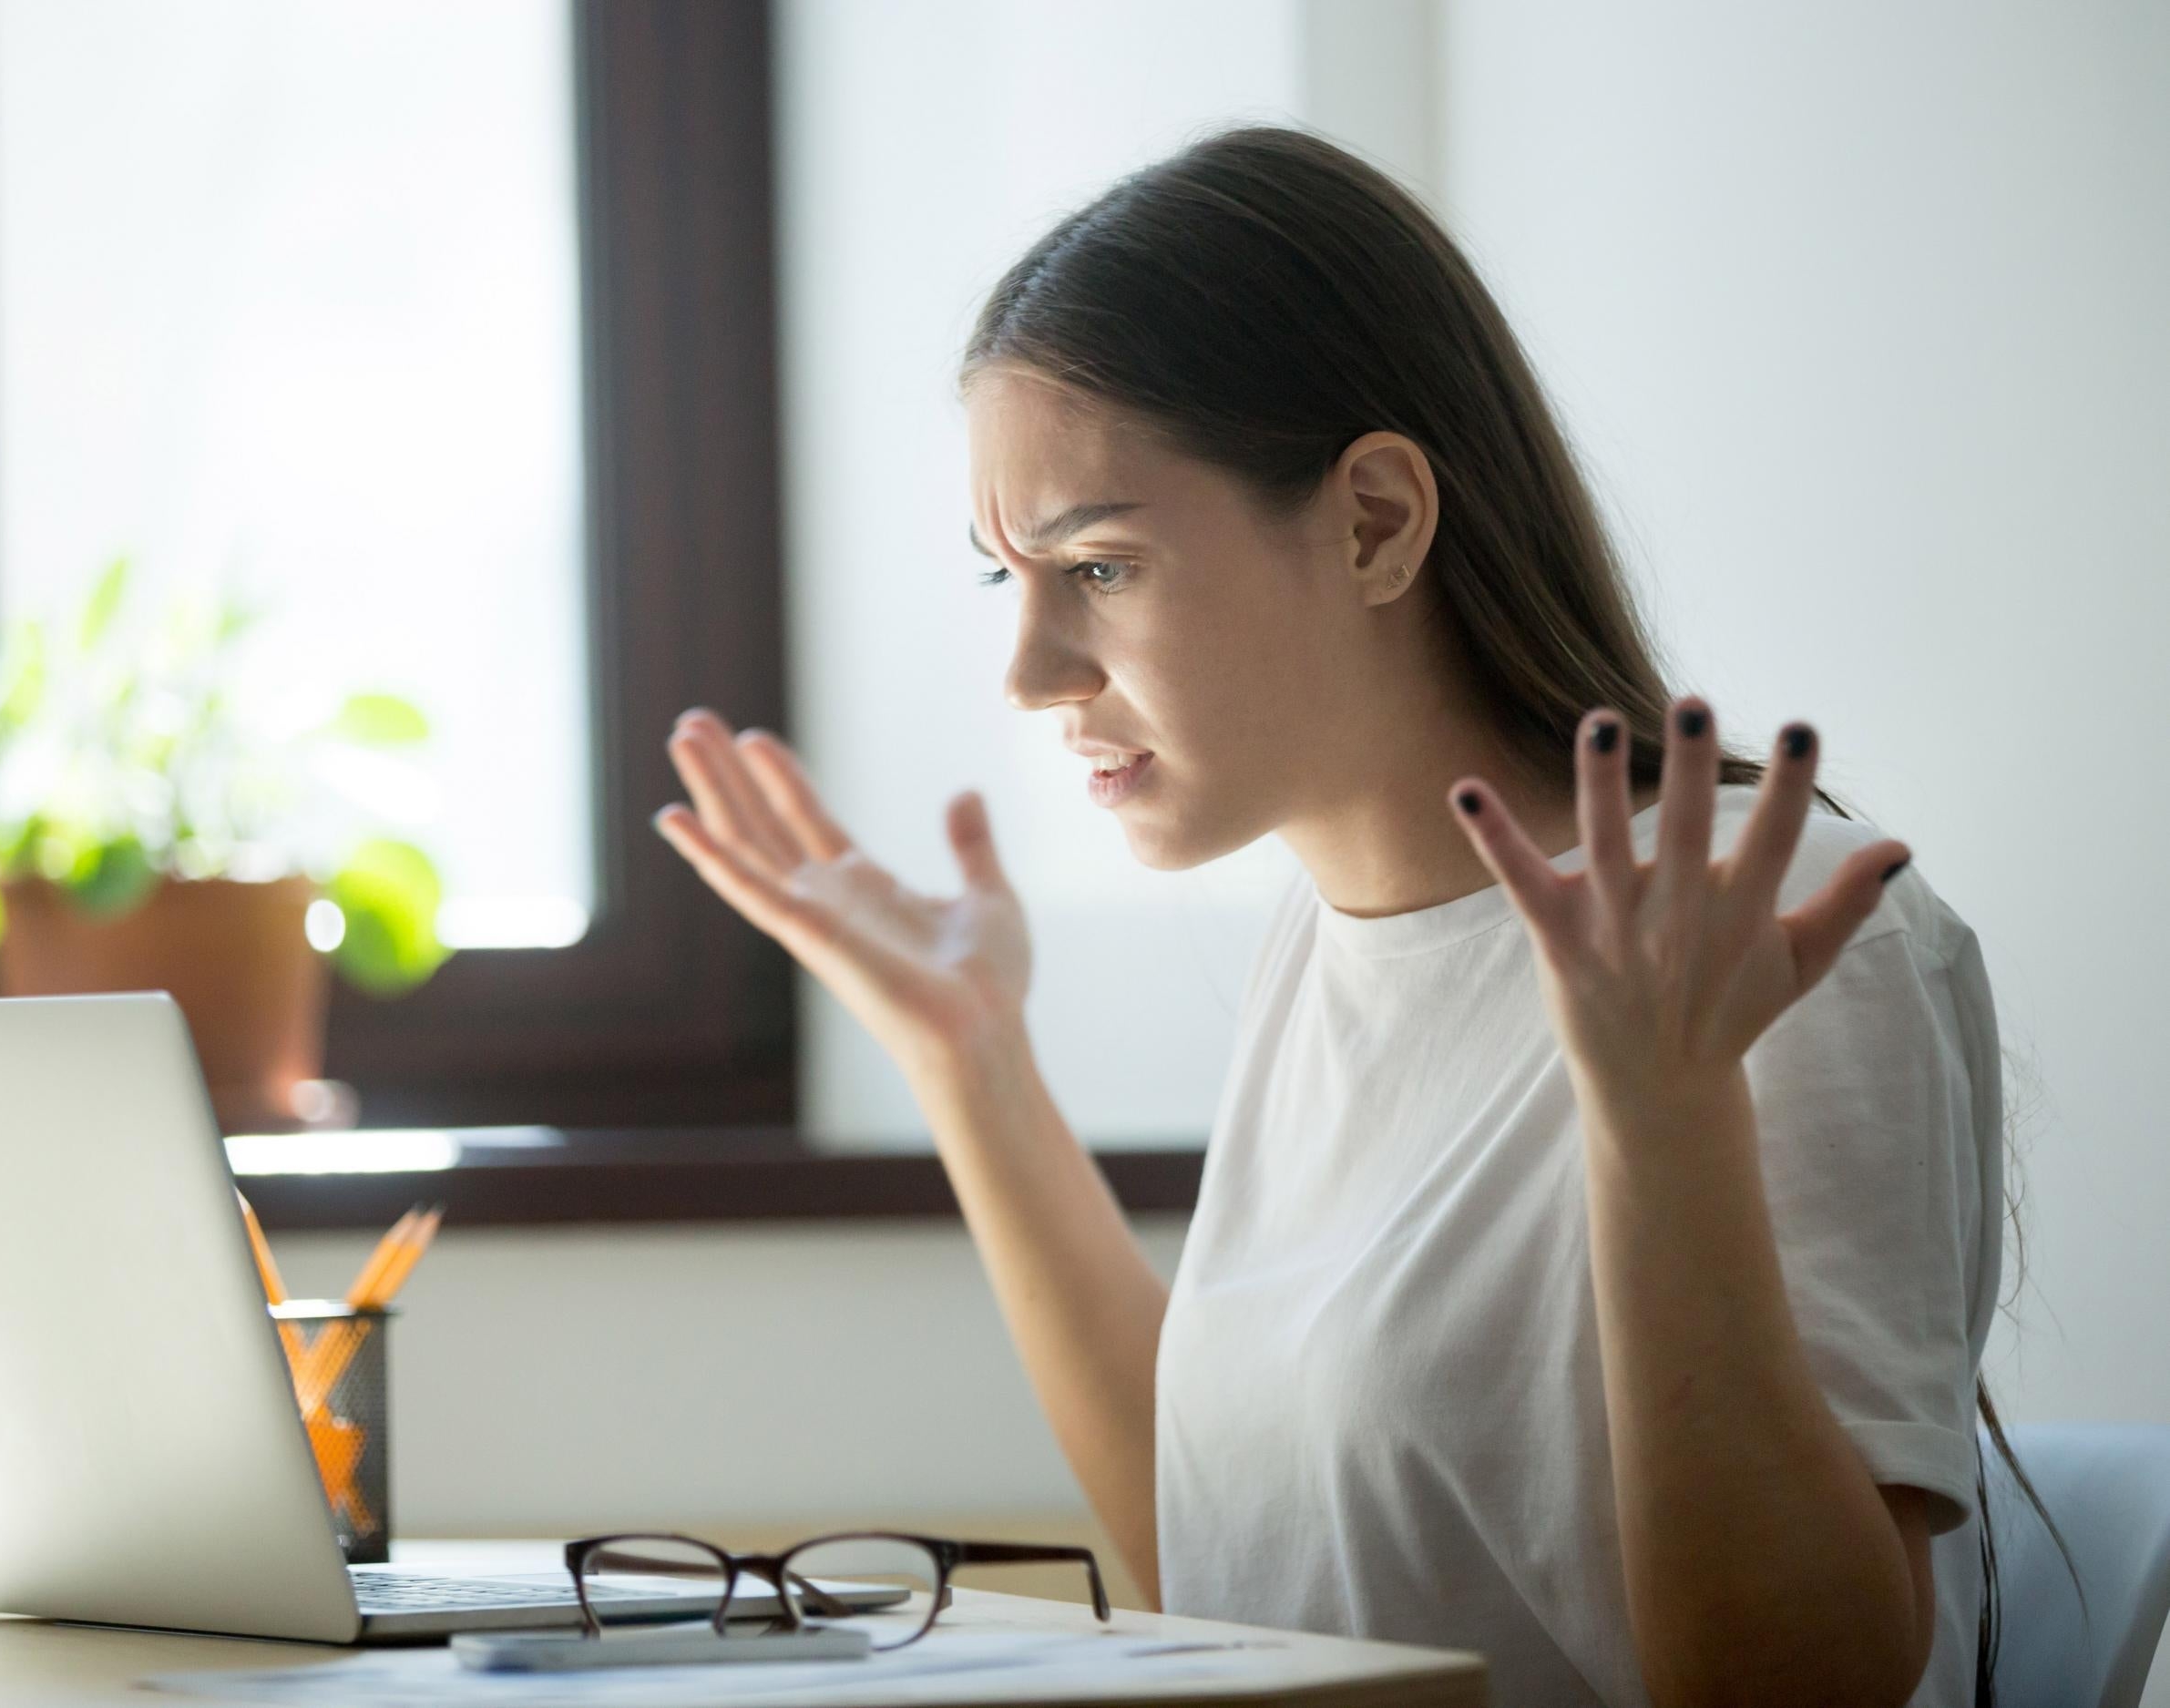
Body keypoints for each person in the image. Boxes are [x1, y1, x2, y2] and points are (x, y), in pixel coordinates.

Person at [653, 125, 2059, 1708]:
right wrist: (968, 1063)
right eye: (1012, 580)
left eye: (1100, 566)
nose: (1035, 673)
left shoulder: (1764, 924)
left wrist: (1660, 1122)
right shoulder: (1330, 945)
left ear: (1379, 519)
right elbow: (1239, 1587)